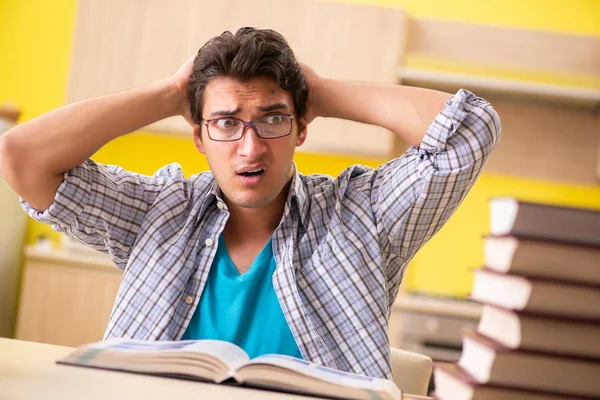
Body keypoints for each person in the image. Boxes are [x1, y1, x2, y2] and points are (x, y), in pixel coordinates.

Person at [0, 27, 500, 379]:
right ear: (198, 136)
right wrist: (171, 92)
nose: (251, 147)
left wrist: (319, 91)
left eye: (273, 119)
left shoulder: (361, 216)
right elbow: (23, 158)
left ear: (302, 128)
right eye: (226, 122)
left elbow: (470, 132)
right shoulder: (160, 211)